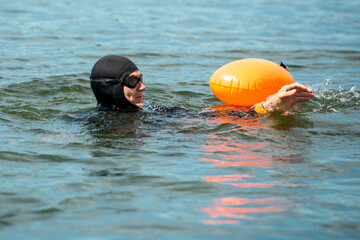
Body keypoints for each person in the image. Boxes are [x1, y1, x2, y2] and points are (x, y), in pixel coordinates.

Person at [89, 55, 314, 114]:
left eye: (141, 79)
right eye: (132, 81)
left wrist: (269, 94)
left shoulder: (149, 112)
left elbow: (203, 116)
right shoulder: (97, 124)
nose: (142, 87)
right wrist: (268, 107)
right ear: (111, 87)